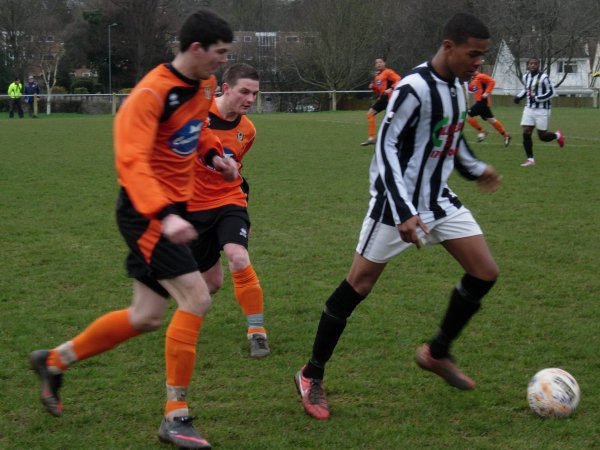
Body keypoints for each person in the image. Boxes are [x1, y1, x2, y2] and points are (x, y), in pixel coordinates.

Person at [29, 8, 235, 449]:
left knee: (145, 316)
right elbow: (131, 163)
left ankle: (52, 361)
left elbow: (196, 130)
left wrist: (214, 154)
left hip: (170, 210)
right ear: (196, 48)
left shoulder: (203, 84)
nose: (223, 60)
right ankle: (175, 416)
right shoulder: (149, 94)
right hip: (146, 213)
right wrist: (164, 215)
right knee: (197, 297)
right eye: (219, 52)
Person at [295, 12, 502, 421]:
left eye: (482, 56)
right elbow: (386, 148)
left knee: (484, 272)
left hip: (439, 200)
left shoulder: (459, 88)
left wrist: (477, 169)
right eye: (472, 54)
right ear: (448, 46)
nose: (478, 63)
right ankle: (310, 374)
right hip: (396, 205)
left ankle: (436, 353)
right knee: (358, 284)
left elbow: (451, 137)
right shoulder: (412, 88)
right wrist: (405, 212)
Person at [187, 63, 271, 358]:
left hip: (229, 201)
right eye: (244, 92)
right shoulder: (197, 113)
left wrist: (232, 172)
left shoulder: (247, 130)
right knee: (211, 283)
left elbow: (236, 168)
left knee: (238, 256)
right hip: (193, 208)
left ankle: (257, 332)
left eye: (255, 94)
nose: (250, 99)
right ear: (225, 89)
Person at [514, 57, 565, 167]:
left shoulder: (544, 77)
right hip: (529, 108)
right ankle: (530, 159)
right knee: (526, 132)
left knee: (542, 136)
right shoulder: (526, 77)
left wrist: (537, 98)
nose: (533, 65)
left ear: (538, 65)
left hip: (542, 109)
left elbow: (551, 92)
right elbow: (526, 89)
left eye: (535, 64)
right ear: (528, 65)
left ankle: (557, 135)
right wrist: (518, 97)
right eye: (531, 64)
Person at [360, 57, 401, 146]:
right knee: (370, 114)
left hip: (391, 98)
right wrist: (373, 87)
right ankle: (372, 138)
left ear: (384, 63)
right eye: (376, 63)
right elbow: (378, 90)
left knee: (391, 119)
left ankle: (396, 138)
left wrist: (391, 88)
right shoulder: (377, 76)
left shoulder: (388, 72)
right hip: (383, 98)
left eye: (380, 62)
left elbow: (399, 79)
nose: (378, 64)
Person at [466, 70, 511, 146]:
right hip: (481, 103)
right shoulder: (474, 79)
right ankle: (506, 135)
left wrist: (487, 92)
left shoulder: (480, 76)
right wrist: (468, 83)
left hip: (482, 102)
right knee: (492, 120)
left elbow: (492, 81)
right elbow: (473, 89)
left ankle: (482, 131)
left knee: (468, 115)